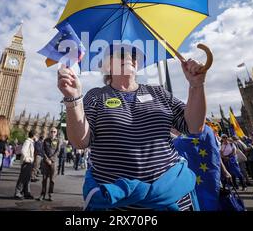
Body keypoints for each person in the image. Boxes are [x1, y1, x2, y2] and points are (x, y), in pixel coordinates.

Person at [57, 44, 207, 210]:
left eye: (134, 55)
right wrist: (73, 99)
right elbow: (80, 142)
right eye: (121, 54)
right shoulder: (96, 96)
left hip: (174, 200)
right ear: (107, 65)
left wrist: (196, 85)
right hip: (116, 204)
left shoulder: (159, 92)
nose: (130, 58)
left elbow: (194, 126)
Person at [37, 127, 60, 201]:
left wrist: (51, 159)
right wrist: (47, 159)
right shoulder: (46, 140)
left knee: (52, 179)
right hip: (45, 162)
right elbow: (43, 150)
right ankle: (42, 194)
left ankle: (51, 194)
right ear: (49, 132)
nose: (53, 133)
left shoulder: (58, 141)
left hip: (54, 162)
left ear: (56, 133)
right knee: (44, 179)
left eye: (54, 132)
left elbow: (58, 151)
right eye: (51, 131)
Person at [14, 129, 38, 200]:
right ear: (33, 135)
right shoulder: (27, 142)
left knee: (27, 179)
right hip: (26, 163)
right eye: (36, 135)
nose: (37, 136)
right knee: (22, 178)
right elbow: (23, 151)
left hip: (29, 163)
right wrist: (28, 159)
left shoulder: (31, 142)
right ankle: (17, 193)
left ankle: (26, 193)